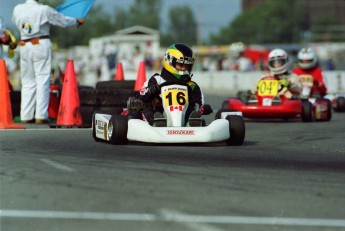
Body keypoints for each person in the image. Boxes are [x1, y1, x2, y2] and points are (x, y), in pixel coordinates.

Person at [12, 0, 85, 124]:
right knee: (42, 81)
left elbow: (16, 22)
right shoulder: (44, 9)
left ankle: (26, 115)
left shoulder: (17, 9)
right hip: (40, 44)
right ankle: (40, 115)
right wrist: (76, 20)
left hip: (24, 45)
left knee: (27, 82)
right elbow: (62, 21)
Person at [128, 43, 212, 126]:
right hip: (158, 116)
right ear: (170, 61)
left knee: (193, 107)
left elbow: (200, 104)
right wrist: (152, 91)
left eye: (187, 65)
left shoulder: (192, 85)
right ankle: (156, 122)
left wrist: (202, 108)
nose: (184, 68)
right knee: (146, 104)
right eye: (181, 64)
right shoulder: (157, 80)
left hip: (184, 119)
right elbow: (142, 96)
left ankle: (191, 123)